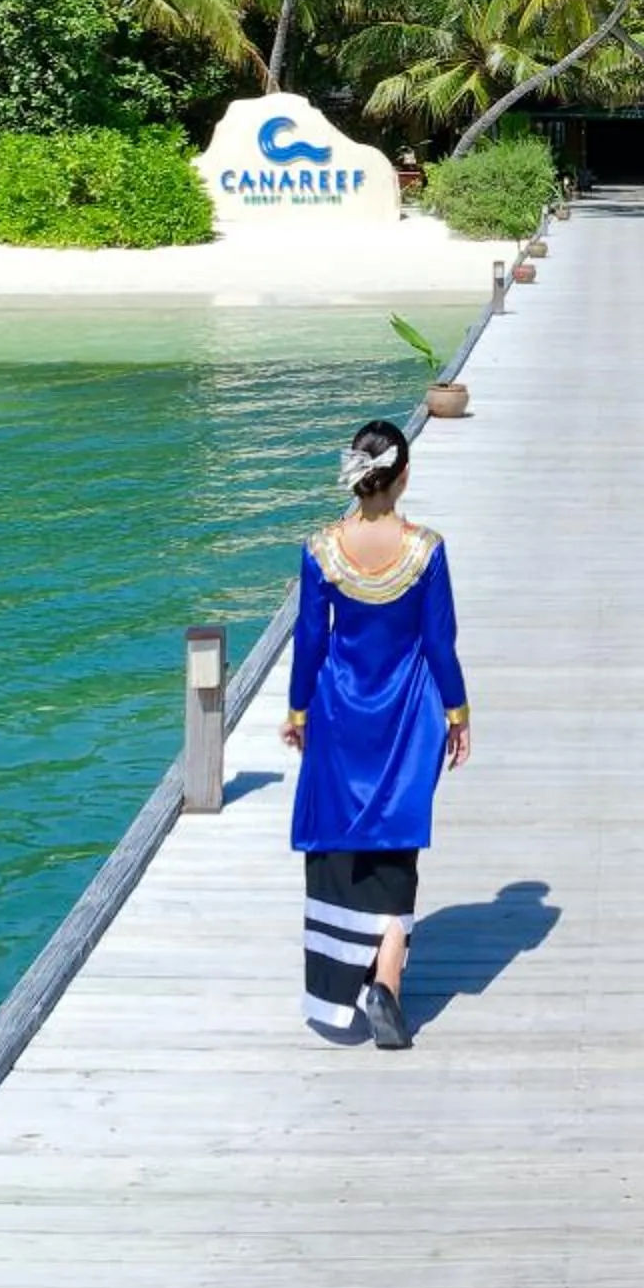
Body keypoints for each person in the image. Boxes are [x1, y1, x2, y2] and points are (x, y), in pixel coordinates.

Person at [282, 417, 470, 1050]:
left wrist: (298, 709)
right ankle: (388, 969)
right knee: (397, 837)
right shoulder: (426, 549)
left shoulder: (322, 549)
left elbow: (309, 639)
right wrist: (458, 711)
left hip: (340, 706)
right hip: (408, 708)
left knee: (340, 842)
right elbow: (439, 642)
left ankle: (353, 976)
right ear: (403, 474)